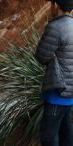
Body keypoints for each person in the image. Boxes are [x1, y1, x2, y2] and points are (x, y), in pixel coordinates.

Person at [35, 0, 73, 146]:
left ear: (55, 4)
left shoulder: (55, 26)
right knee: (66, 130)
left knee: (48, 134)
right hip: (71, 89)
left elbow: (41, 56)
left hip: (58, 89)